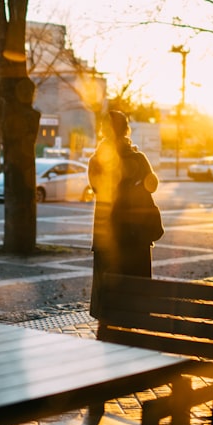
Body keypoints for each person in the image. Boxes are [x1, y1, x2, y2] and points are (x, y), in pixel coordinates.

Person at [88, 110, 161, 318]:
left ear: (103, 130)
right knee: (136, 288)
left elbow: (97, 189)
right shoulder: (138, 159)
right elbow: (152, 185)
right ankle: (135, 324)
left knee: (109, 293)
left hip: (108, 233)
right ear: (126, 129)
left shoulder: (97, 160)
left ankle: (110, 327)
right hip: (136, 234)